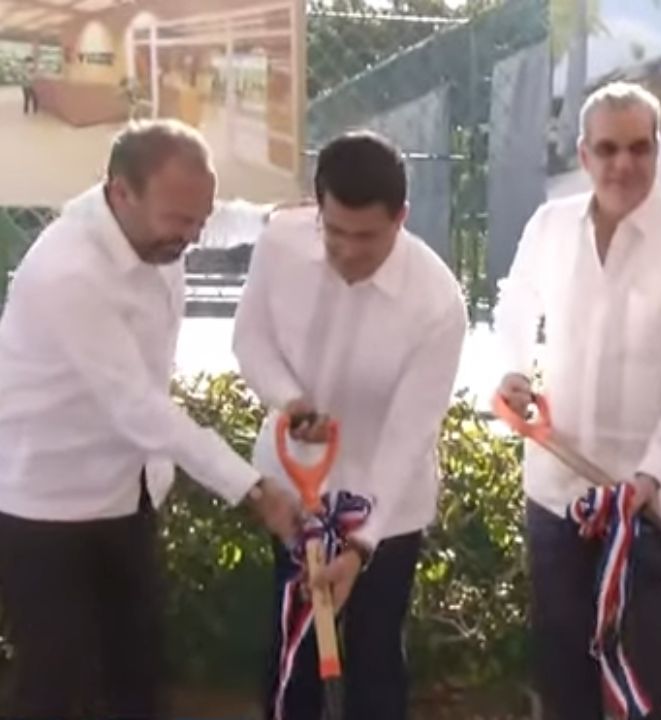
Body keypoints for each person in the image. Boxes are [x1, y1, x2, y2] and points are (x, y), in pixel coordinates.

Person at [0, 119, 300, 719]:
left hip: (128, 492)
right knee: (55, 683)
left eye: (198, 221)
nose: (190, 237)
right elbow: (137, 407)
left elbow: (220, 218)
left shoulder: (154, 225)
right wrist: (251, 487)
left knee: (138, 673)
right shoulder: (70, 272)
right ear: (121, 193)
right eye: (178, 221)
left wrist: (272, 220)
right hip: (43, 504)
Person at [493, 81, 661, 720]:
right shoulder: (549, 225)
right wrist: (514, 372)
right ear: (583, 154)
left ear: (657, 149)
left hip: (655, 508)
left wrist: (648, 477)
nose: (623, 164)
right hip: (558, 495)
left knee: (652, 686)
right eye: (607, 149)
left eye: (638, 148)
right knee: (564, 677)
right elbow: (515, 303)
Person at [234, 131, 467, 720]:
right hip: (295, 488)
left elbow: (410, 434)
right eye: (334, 231)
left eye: (367, 237)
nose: (347, 250)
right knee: (292, 646)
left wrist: (362, 544)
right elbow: (251, 340)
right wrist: (291, 402)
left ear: (401, 218)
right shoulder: (280, 244)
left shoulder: (438, 301)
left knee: (373, 657)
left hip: (387, 510)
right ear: (317, 207)